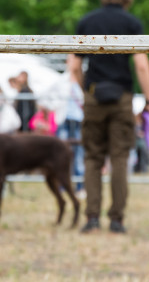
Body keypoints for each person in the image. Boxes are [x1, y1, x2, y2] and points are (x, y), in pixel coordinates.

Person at [69, 0, 149, 234]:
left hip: (94, 96)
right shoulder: (132, 23)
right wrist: (148, 100)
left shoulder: (87, 21)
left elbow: (73, 65)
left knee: (92, 158)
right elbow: (141, 64)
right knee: (119, 158)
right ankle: (117, 219)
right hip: (121, 98)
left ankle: (92, 217)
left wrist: (87, 92)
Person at [58, 57, 86, 198]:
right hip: (64, 120)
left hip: (79, 120)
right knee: (61, 154)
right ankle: (63, 185)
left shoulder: (83, 79)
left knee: (80, 154)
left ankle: (80, 186)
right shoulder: (61, 80)